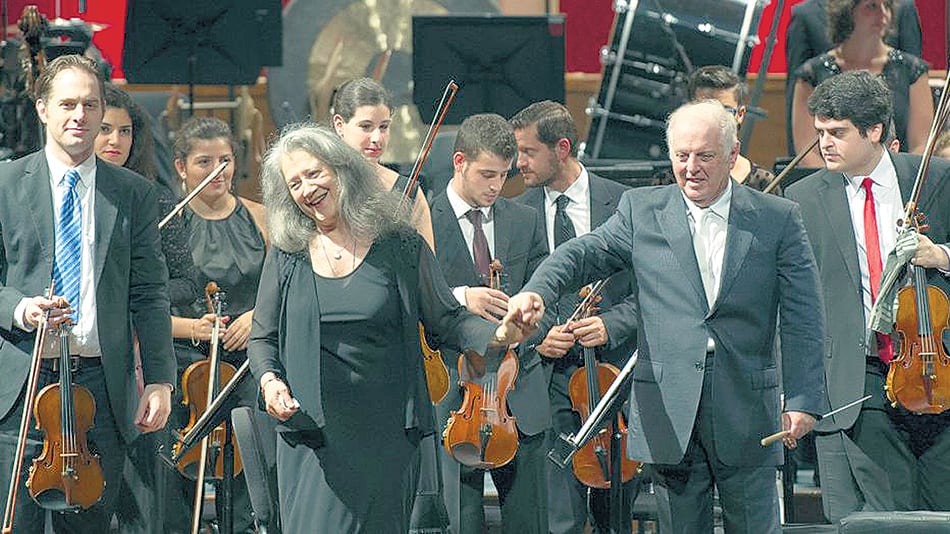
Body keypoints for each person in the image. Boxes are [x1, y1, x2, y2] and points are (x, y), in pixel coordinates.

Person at [504, 100, 827, 533]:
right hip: (668, 407)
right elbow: (581, 254)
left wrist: (805, 399)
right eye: (681, 156)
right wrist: (536, 292)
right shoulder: (642, 211)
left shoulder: (778, 217)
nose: (691, 167)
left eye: (705, 156)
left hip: (747, 404)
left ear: (732, 156)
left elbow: (804, 315)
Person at [247, 122, 506, 533]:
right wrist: (269, 382)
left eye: (314, 173)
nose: (307, 189)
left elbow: (446, 319)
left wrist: (500, 335)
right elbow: (262, 337)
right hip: (313, 438)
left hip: (386, 437)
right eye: (294, 183)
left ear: (342, 169)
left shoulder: (400, 245)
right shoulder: (287, 254)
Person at [0, 54, 176, 532]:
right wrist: (19, 308)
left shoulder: (133, 192)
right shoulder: (6, 184)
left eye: (90, 104)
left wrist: (159, 378)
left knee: (93, 524)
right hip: (22, 385)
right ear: (42, 108)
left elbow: (150, 291)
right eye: (68, 104)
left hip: (101, 387)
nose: (80, 115)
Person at [785, 71, 950, 522]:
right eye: (820, 132)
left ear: (874, 130)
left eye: (837, 132)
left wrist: (942, 255)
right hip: (859, 383)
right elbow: (797, 306)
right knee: (880, 520)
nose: (824, 144)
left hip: (939, 374)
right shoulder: (801, 199)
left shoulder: (935, 179)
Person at [510, 100, 639, 533]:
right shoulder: (519, 211)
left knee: (615, 509)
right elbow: (516, 295)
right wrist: (539, 337)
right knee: (559, 516)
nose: (519, 162)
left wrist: (612, 324)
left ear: (562, 148)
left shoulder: (626, 203)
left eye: (528, 152)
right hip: (549, 378)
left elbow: (653, 293)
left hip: (613, 374)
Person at [428, 113, 550, 533]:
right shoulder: (424, 215)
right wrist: (463, 296)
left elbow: (544, 288)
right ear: (459, 161)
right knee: (461, 522)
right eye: (487, 174)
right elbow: (411, 297)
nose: (497, 186)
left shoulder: (523, 219)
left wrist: (529, 307)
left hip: (519, 394)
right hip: (456, 394)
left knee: (529, 523)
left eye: (504, 175)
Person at [95, 83, 198, 533]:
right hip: (80, 363)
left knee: (144, 483)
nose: (115, 141)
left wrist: (131, 292)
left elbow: (186, 282)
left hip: (137, 359)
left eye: (124, 131)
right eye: (105, 130)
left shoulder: (152, 198)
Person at [170, 116, 265, 532]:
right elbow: (143, 307)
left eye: (224, 161)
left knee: (245, 484)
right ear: (181, 168)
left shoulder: (262, 218)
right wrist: (193, 328)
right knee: (179, 484)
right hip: (184, 366)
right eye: (203, 162)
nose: (217, 172)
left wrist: (257, 315)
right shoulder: (168, 226)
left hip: (247, 365)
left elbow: (290, 289)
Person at [790, 0, 932, 167]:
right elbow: (806, 151)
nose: (883, 14)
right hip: (831, 183)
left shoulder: (912, 70)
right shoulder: (811, 74)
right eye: (872, 6)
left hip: (899, 181)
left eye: (886, 6)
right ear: (847, 12)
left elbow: (921, 145)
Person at [331, 77, 435, 250]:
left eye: (384, 127)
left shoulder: (408, 192)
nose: (377, 138)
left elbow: (426, 267)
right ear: (340, 125)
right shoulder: (320, 185)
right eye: (366, 126)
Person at [687, 66, 775, 192]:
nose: (714, 120)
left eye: (725, 110)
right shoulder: (671, 180)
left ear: (740, 115)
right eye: (706, 110)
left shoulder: (765, 183)